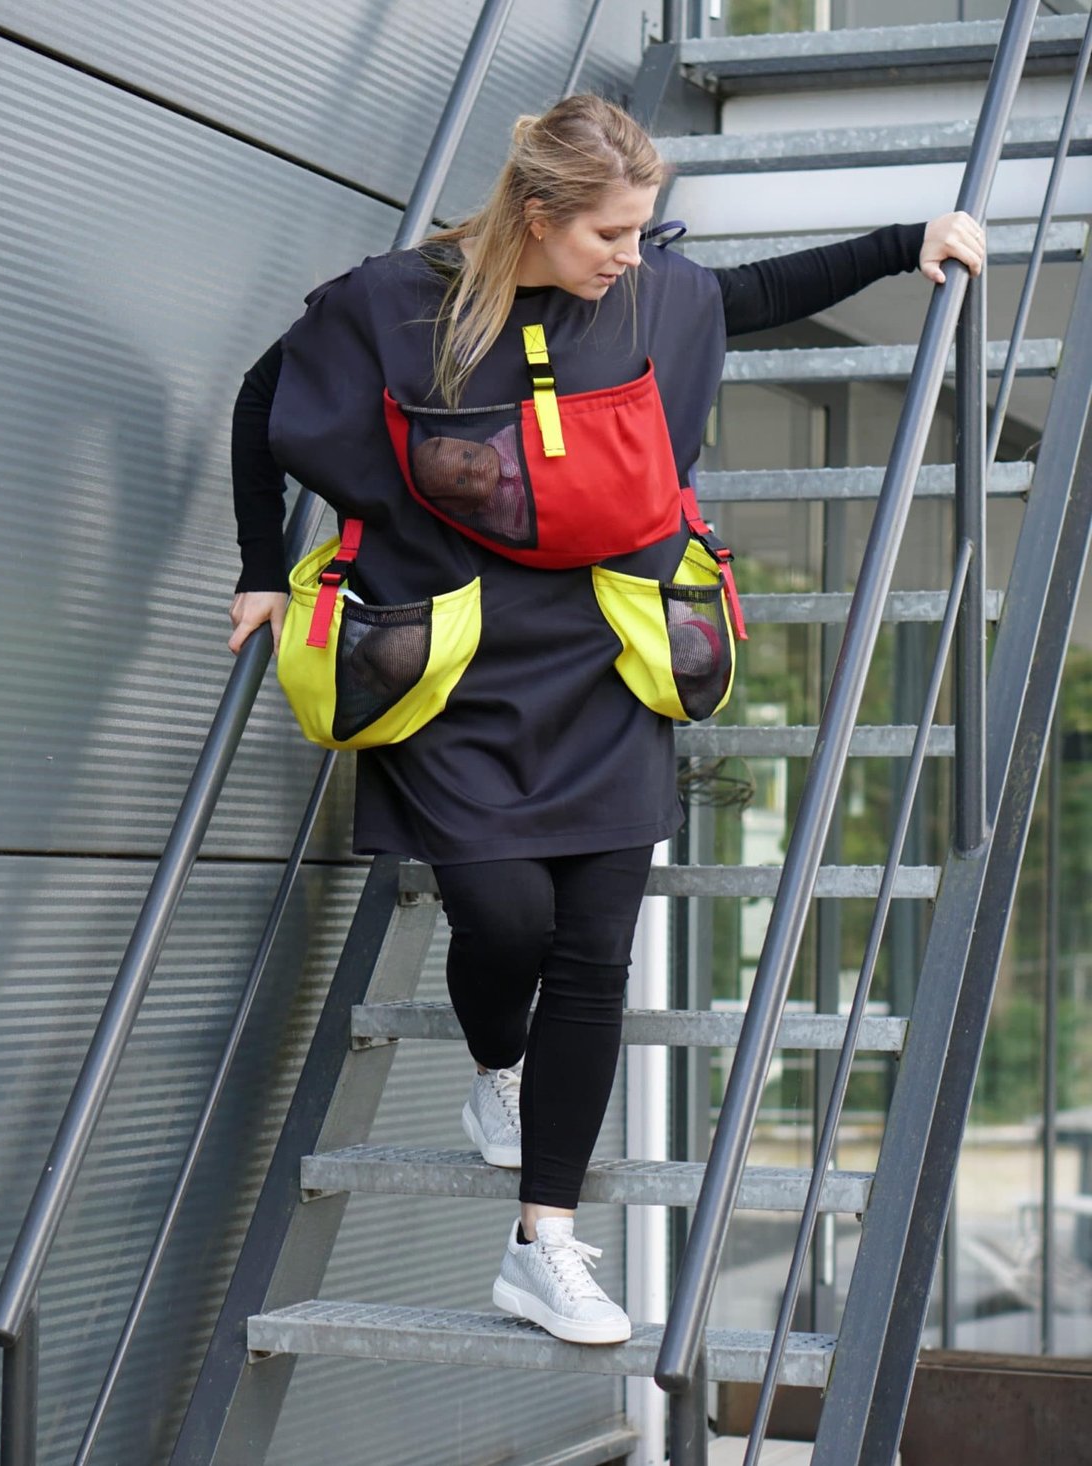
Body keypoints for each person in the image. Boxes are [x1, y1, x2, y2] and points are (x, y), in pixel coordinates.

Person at [227, 94, 985, 1346]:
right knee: (504, 918)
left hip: (608, 666)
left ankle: (545, 1243)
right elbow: (267, 392)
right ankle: (496, 1064)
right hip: (454, 669)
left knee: (593, 953)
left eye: (641, 229)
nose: (634, 254)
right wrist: (264, 566)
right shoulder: (396, 304)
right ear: (537, 216)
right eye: (611, 233)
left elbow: (754, 291)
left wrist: (909, 240)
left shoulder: (651, 296)